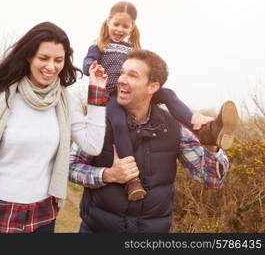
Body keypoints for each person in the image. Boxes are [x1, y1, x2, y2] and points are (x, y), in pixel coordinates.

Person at [69, 49, 238, 233]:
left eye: (132, 75)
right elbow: (69, 166)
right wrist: (107, 175)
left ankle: (210, 132)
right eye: (122, 73)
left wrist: (211, 146)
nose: (121, 80)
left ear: (152, 87)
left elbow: (213, 179)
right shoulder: (99, 120)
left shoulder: (173, 128)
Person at [0, 21, 108, 233]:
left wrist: (97, 93)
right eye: (43, 58)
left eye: (58, 60)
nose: (51, 67)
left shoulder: (66, 100)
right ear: (29, 56)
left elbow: (92, 146)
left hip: (42, 215)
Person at [82, 1, 230, 201]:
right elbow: (86, 64)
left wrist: (211, 149)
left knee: (168, 93)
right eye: (116, 24)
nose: (119, 29)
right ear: (108, 22)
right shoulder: (99, 45)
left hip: (152, 223)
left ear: (132, 27)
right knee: (118, 123)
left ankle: (201, 128)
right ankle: (132, 180)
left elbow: (215, 181)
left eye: (125, 26)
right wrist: (93, 68)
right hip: (111, 95)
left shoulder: (132, 49)